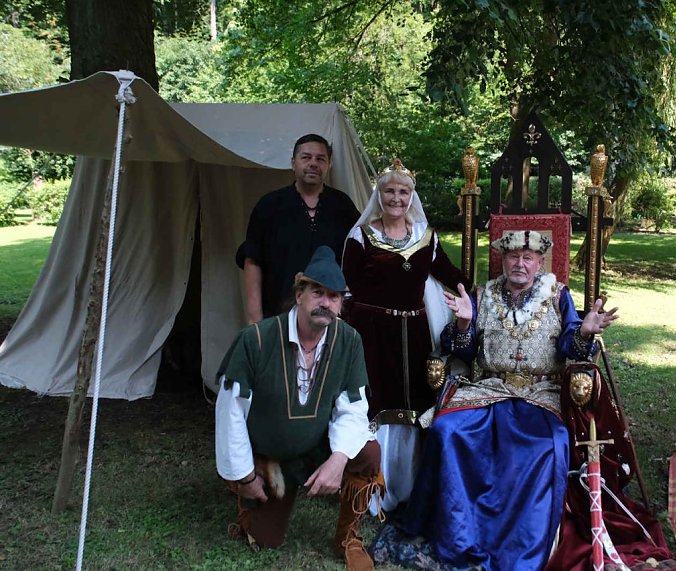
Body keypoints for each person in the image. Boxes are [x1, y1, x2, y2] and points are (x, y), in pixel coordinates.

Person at [399, 229, 618, 571]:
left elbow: (569, 347)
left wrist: (585, 331)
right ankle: (451, 530)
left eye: (527, 257)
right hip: (488, 388)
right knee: (446, 430)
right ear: (502, 260)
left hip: (539, 392)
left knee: (550, 442)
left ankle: (523, 544)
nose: (520, 263)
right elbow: (464, 349)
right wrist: (463, 322)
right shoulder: (482, 294)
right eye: (513, 256)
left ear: (539, 262)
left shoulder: (559, 295)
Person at [215, 246, 383, 571]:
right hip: (273, 454)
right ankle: (256, 481)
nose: (326, 303)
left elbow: (354, 407)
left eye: (334, 297)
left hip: (317, 445)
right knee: (265, 540)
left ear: (342, 304)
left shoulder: (349, 341)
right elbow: (229, 413)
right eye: (318, 292)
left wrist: (338, 459)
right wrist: (245, 476)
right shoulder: (256, 340)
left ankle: (348, 537)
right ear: (299, 294)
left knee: (369, 454)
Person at [341, 158, 471, 512]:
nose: (396, 198)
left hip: (414, 334)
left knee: (415, 407)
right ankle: (371, 489)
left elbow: (449, 272)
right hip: (372, 335)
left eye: (403, 191)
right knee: (375, 405)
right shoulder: (361, 237)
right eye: (389, 191)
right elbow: (347, 287)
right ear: (378, 194)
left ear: (412, 196)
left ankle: (410, 488)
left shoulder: (425, 237)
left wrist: (483, 293)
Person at [236, 133, 360, 323]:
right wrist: (255, 318)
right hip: (278, 315)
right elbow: (253, 261)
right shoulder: (270, 206)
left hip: (329, 318)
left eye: (320, 159)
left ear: (329, 165)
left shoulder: (343, 207)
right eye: (306, 157)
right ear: (293, 163)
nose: (313, 163)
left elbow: (358, 261)